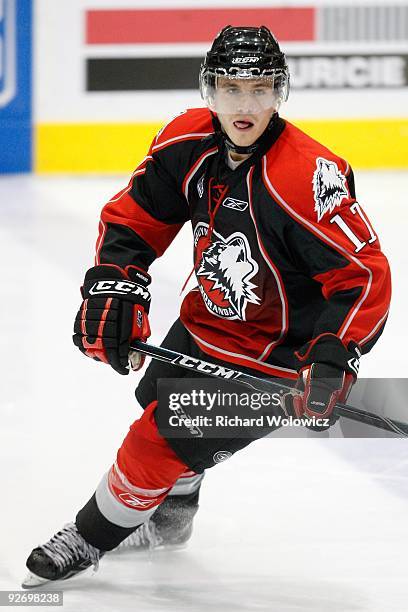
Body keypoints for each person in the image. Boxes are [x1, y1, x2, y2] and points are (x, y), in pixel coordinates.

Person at [23, 25, 391, 587]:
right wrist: (115, 281)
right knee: (155, 401)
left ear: (280, 93)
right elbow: (137, 217)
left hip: (274, 361)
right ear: (208, 89)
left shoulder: (305, 177)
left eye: (261, 89)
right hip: (204, 325)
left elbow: (364, 276)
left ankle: (87, 538)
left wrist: (335, 353)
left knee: (159, 438)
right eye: (231, 88)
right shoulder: (186, 142)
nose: (245, 105)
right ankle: (171, 518)